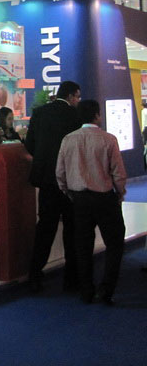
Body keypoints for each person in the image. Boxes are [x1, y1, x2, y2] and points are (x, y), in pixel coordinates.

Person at [56, 99, 126, 305]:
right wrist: (120, 193)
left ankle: (86, 290)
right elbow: (118, 173)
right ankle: (106, 290)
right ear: (97, 115)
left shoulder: (68, 139)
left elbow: (60, 172)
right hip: (104, 198)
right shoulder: (108, 139)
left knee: (83, 246)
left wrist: (68, 192)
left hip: (79, 199)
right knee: (114, 243)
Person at [24, 80, 82, 292]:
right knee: (71, 229)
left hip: (46, 180)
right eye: (78, 97)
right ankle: (71, 279)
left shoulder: (39, 113)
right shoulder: (75, 115)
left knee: (45, 228)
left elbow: (29, 145)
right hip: (69, 180)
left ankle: (34, 275)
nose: (78, 101)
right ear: (71, 96)